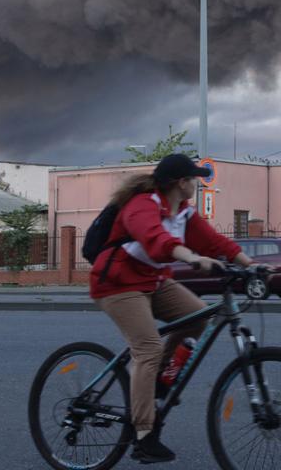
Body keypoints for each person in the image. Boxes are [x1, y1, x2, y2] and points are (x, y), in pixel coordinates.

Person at [90, 153, 260, 464]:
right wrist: (191, 258)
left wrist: (254, 267)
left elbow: (214, 242)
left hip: (153, 281)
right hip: (117, 283)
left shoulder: (183, 212)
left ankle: (156, 381)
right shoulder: (141, 204)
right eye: (194, 177)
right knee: (148, 350)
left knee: (199, 316)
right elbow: (156, 241)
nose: (197, 182)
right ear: (181, 182)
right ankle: (143, 434)